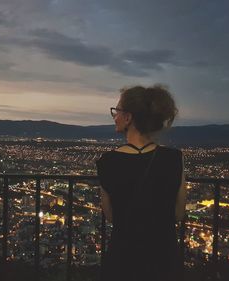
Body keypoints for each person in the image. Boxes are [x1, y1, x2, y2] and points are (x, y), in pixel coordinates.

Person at [96, 85, 186, 281]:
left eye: (117, 111)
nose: (114, 116)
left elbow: (110, 215)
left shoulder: (107, 162)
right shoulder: (174, 159)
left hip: (123, 257)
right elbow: (178, 212)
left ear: (128, 118)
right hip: (164, 256)